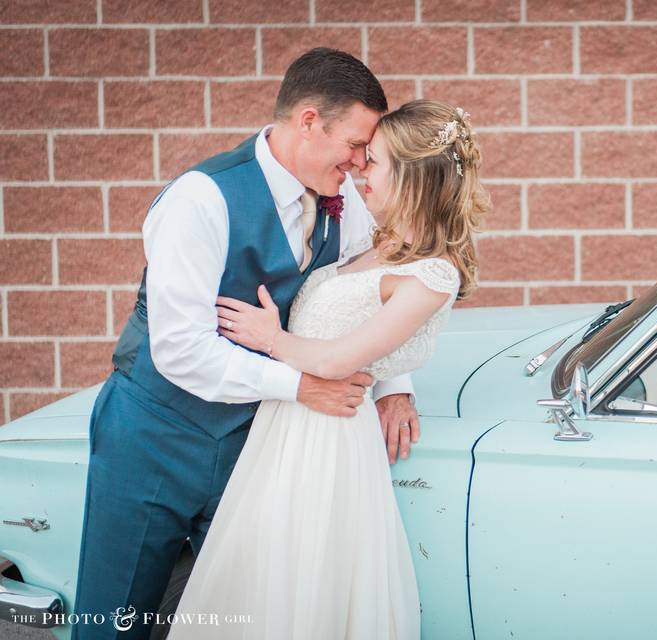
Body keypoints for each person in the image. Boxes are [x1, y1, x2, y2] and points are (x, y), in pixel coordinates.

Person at [72, 48, 421, 640]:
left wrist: (395, 388)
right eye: (357, 144)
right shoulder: (200, 199)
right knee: (114, 617)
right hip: (154, 434)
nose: (362, 163)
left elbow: (370, 298)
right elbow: (179, 348)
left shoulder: (348, 205)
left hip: (258, 443)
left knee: (244, 617)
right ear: (309, 121)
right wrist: (302, 385)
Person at [166, 100, 487, 638]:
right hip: (284, 428)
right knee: (265, 579)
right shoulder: (374, 243)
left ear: (411, 176)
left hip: (329, 438)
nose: (360, 168)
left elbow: (342, 358)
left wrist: (273, 339)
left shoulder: (433, 273)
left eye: (375, 161)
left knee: (308, 581)